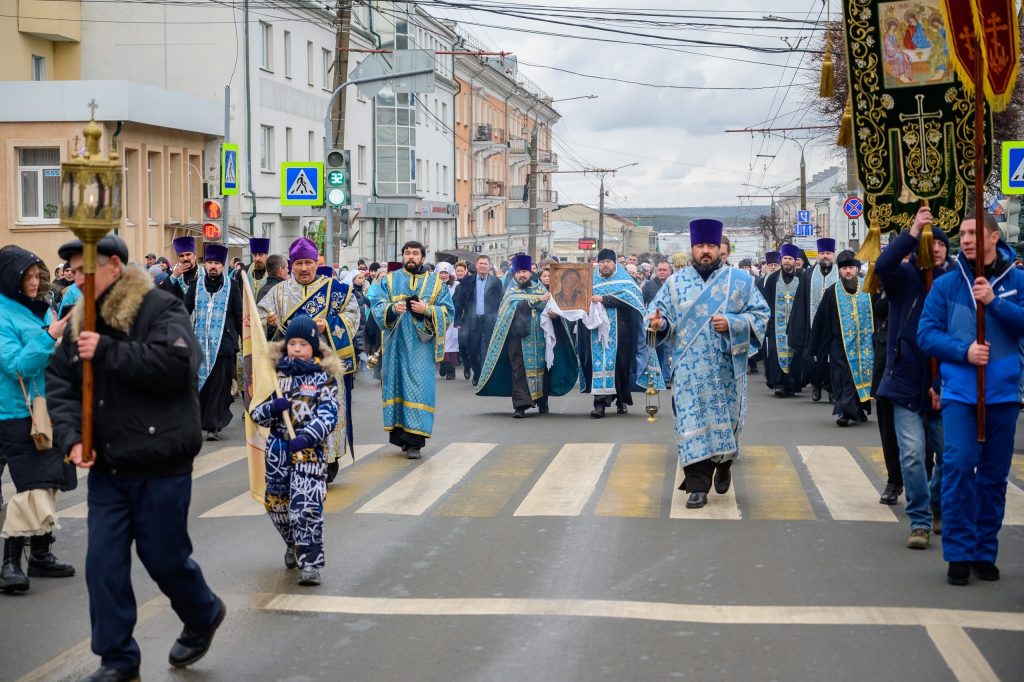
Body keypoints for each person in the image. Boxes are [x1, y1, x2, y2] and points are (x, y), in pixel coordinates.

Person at [47, 234, 225, 681]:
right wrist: (71, 437)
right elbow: (61, 385)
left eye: (83, 268)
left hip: (160, 460)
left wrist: (108, 352)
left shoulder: (159, 307)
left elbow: (178, 366)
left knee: (164, 558)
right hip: (109, 466)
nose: (75, 276)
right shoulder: (77, 322)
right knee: (103, 563)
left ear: (114, 267)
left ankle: (202, 612)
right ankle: (118, 659)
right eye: (71, 269)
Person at [917, 212, 1024, 586]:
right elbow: (926, 335)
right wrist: (965, 352)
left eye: (973, 233)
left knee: (994, 477)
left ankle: (983, 550)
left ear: (994, 238)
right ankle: (959, 552)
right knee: (960, 466)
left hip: (1003, 395)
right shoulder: (947, 286)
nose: (965, 239)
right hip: (961, 394)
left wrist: (995, 302)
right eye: (962, 233)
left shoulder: (1017, 281)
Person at [648, 219, 769, 509]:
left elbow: (761, 316)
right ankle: (697, 486)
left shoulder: (741, 282)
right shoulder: (675, 284)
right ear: (692, 249)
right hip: (688, 372)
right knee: (689, 423)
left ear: (719, 250)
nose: (705, 251)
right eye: (700, 246)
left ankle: (724, 463)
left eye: (711, 246)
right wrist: (659, 323)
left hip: (726, 369)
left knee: (727, 422)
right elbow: (656, 316)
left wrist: (732, 322)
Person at [876, 206, 954, 545]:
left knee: (951, 457)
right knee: (911, 455)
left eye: (941, 243)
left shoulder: (955, 284)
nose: (935, 247)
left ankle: (937, 504)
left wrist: (940, 384)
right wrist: (912, 232)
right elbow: (882, 266)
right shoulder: (905, 280)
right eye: (929, 241)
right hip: (905, 382)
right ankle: (919, 520)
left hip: (945, 387)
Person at [0, 246, 76, 594]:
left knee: (50, 479)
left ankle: (41, 554)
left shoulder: (41, 308)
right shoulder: (2, 314)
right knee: (31, 486)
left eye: (36, 275)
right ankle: (10, 564)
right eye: (26, 277)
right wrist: (49, 337)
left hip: (45, 408)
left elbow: (51, 357)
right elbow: (16, 365)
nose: (33, 282)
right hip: (15, 412)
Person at [258, 238, 359, 482]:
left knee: (325, 414)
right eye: (299, 263)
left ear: (316, 263)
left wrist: (329, 323)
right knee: (296, 417)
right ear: (291, 265)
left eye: (309, 263)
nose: (304, 268)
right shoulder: (278, 292)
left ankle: (329, 461)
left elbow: (354, 314)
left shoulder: (335, 290)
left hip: (326, 367)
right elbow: (258, 317)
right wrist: (268, 323)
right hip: (290, 370)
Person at [250, 315, 340, 586]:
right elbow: (256, 414)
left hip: (308, 453)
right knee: (277, 508)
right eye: (293, 343)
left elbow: (329, 413)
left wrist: (307, 437)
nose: (297, 348)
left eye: (303, 344)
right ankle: (293, 543)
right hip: (278, 452)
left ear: (313, 347)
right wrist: (271, 408)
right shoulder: (275, 376)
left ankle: (310, 563)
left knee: (305, 508)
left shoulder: (323, 378)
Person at [368, 241, 454, 458]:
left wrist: (427, 309)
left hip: (420, 348)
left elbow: (448, 312)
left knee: (418, 390)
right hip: (395, 345)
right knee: (397, 388)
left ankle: (415, 442)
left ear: (423, 258)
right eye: (407, 253)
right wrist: (391, 308)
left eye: (415, 253)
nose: (411, 257)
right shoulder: (389, 280)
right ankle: (402, 439)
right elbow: (376, 305)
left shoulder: (436, 284)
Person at [477, 254, 578, 417]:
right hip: (517, 337)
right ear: (515, 273)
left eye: (524, 271)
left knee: (544, 369)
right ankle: (520, 406)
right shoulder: (511, 291)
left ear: (531, 273)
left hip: (541, 336)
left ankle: (542, 401)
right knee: (519, 369)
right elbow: (508, 311)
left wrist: (554, 314)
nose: (522, 275)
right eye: (518, 272)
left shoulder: (540, 289)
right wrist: (533, 302)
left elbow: (553, 308)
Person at [808, 251, 876, 426]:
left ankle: (859, 409)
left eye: (851, 268)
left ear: (857, 269)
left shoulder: (869, 288)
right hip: (840, 345)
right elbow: (820, 319)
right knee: (843, 378)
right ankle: (843, 413)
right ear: (839, 271)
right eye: (844, 268)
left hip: (864, 344)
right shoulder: (833, 292)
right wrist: (813, 347)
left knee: (859, 378)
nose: (848, 272)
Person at [578, 248, 649, 418]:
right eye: (602, 262)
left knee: (620, 367)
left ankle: (621, 400)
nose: (605, 265)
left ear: (614, 264)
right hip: (595, 332)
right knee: (599, 366)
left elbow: (632, 300)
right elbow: (579, 298)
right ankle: (599, 404)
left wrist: (604, 299)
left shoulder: (625, 280)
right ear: (598, 264)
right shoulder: (591, 281)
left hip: (621, 332)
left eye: (608, 262)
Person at [185, 243, 242, 441]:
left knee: (219, 386)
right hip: (200, 345)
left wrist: (244, 343)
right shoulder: (196, 285)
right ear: (205, 263)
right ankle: (203, 420)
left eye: (217, 263)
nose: (213, 266)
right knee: (204, 385)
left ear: (222, 265)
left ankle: (213, 425)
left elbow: (239, 314)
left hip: (223, 346)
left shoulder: (231, 286)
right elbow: (184, 311)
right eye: (210, 262)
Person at [794, 238, 839, 402]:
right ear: (818, 255)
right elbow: (801, 302)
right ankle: (815, 386)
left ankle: (832, 389)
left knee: (831, 360)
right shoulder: (808, 275)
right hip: (812, 326)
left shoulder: (840, 273)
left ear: (833, 255)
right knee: (811, 359)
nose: (825, 256)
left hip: (834, 326)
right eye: (822, 253)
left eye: (828, 253)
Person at [763, 244, 805, 397]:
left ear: (795, 261)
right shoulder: (773, 279)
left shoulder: (802, 278)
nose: (787, 261)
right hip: (776, 324)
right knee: (776, 353)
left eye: (790, 259)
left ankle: (792, 384)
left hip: (796, 324)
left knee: (795, 354)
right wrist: (767, 325)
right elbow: (765, 303)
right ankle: (779, 384)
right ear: (781, 260)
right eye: (785, 258)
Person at [453, 254, 502, 385]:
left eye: (485, 264)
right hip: (471, 321)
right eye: (480, 263)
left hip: (489, 321)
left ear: (489, 266)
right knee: (472, 350)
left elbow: (501, 302)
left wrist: (500, 319)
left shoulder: (496, 282)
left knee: (487, 350)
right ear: (476, 265)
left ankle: (486, 376)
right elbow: (460, 301)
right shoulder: (467, 281)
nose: (483, 266)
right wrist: (457, 320)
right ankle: (478, 372)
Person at [642, 261, 674, 383]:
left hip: (669, 323)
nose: (661, 272)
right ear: (656, 271)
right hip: (653, 323)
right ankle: (654, 377)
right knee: (654, 351)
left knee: (667, 351)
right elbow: (642, 301)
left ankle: (666, 378)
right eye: (659, 270)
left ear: (670, 271)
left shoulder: (674, 284)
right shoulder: (649, 285)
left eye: (664, 270)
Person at [434, 262, 461, 380]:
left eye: (446, 273)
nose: (444, 275)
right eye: (441, 273)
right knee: (441, 342)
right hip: (439, 318)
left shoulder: (456, 285)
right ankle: (443, 363)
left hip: (453, 318)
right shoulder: (433, 286)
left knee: (453, 344)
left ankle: (451, 369)